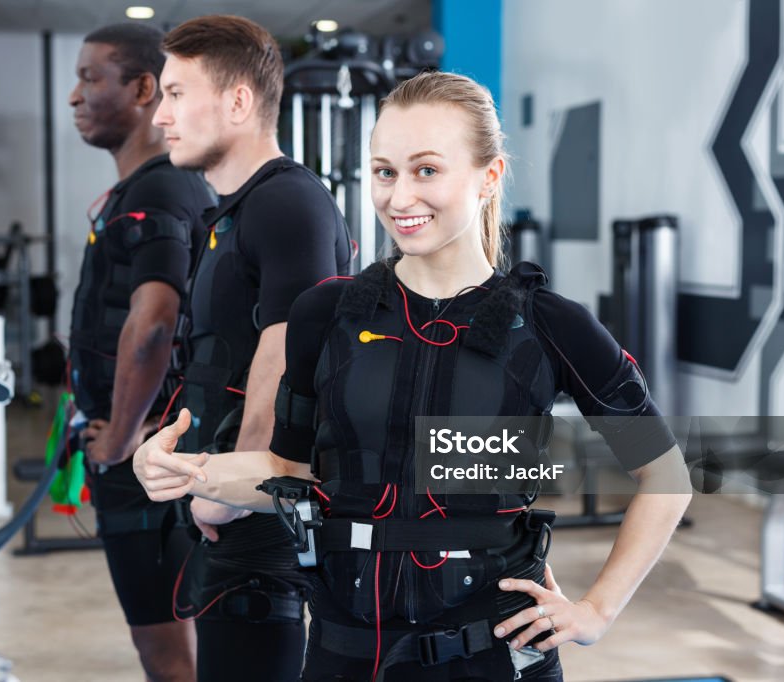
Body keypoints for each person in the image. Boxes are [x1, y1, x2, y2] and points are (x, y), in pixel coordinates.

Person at [134, 71, 693, 681]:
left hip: (493, 657)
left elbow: (665, 475)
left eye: (426, 170)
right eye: (384, 172)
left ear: (489, 176)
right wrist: (188, 471)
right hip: (345, 654)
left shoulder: (550, 326)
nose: (400, 198)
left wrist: (596, 610)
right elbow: (288, 473)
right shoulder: (326, 314)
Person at [148, 14, 352, 682]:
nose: (160, 116)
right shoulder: (235, 212)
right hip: (227, 504)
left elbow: (288, 355)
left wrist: (231, 492)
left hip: (259, 520)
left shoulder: (288, 203)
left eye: (177, 94)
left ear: (238, 101)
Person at [66, 22, 215, 682]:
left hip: (143, 458)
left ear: (143, 88)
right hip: (149, 448)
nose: (75, 96)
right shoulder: (143, 192)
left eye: (90, 78)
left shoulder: (160, 190)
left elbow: (155, 321)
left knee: (163, 651)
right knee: (175, 637)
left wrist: (118, 439)